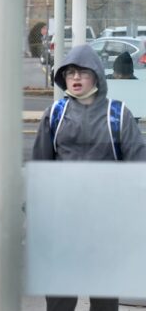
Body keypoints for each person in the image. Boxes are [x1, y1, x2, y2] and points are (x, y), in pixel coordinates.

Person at [33, 44, 145, 311]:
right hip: (62, 222)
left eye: (83, 72)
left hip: (105, 222)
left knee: (104, 300)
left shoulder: (117, 115)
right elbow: (40, 167)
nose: (76, 78)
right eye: (70, 72)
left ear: (96, 75)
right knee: (60, 299)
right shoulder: (55, 115)